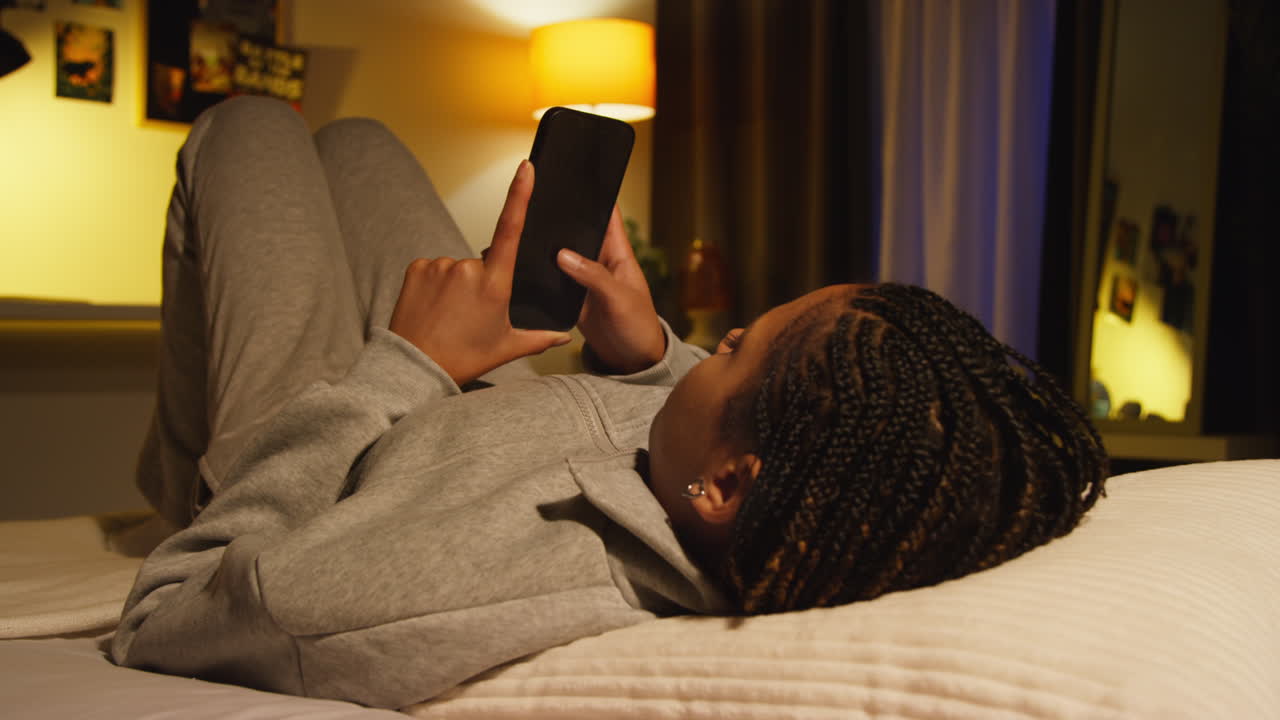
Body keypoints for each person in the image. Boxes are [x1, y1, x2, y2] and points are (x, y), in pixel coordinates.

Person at [111, 97, 1108, 708]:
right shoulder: (770, 491)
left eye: (729, 349)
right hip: (458, 403)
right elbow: (702, 434)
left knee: (244, 128)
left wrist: (403, 366)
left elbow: (162, 620)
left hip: (320, 446)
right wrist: (645, 354)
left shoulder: (466, 589)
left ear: (722, 485)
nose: (702, 349)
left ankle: (183, 460)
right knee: (360, 141)